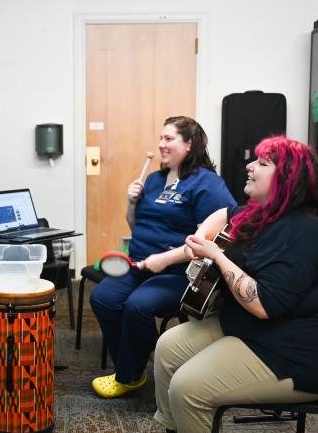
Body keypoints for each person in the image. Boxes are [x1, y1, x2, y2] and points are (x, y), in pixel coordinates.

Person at [138, 135, 318, 433]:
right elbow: (225, 214)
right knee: (169, 347)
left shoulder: (303, 233)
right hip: (258, 330)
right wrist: (205, 234)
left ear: (287, 181)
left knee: (189, 384)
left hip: (293, 354)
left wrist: (218, 257)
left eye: (263, 163)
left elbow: (263, 304)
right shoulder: (263, 213)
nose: (249, 165)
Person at [89, 116, 235, 398]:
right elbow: (136, 226)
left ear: (189, 144)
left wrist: (165, 259)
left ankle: (129, 375)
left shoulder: (208, 184)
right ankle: (135, 364)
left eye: (168, 139)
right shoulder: (155, 179)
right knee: (103, 298)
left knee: (137, 306)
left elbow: (216, 238)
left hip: (180, 272)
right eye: (160, 138)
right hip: (139, 264)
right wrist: (130, 203)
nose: (160, 144)